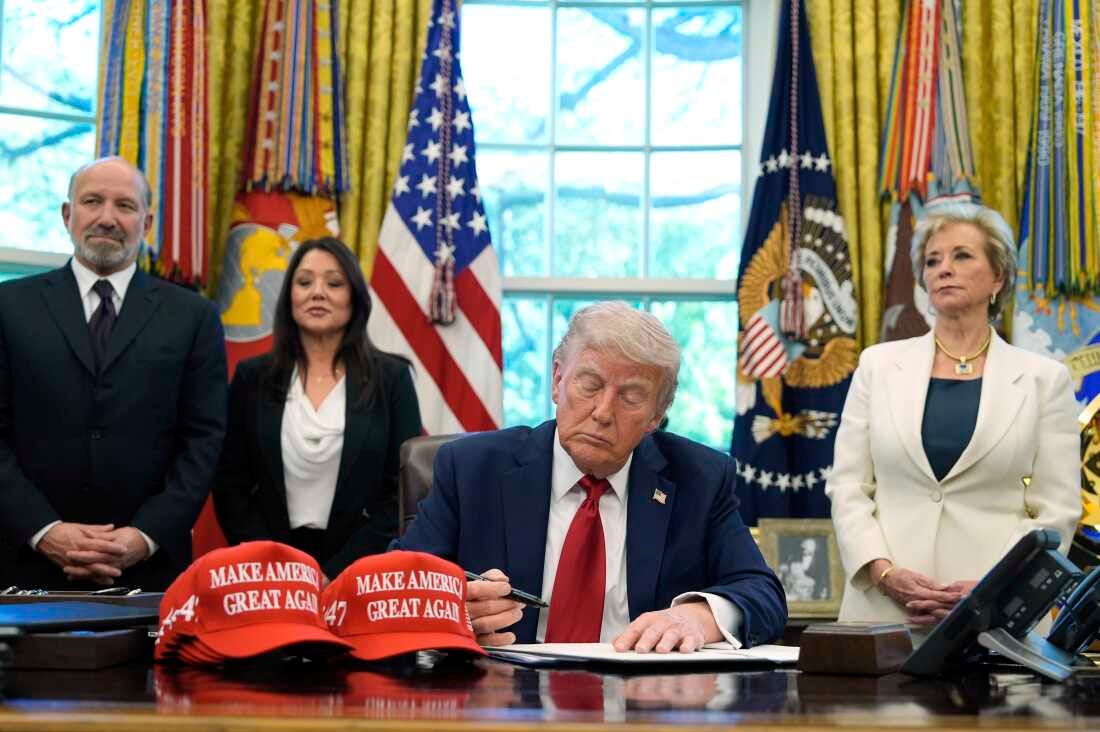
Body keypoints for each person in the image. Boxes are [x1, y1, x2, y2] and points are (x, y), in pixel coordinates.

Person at [395, 301, 787, 652]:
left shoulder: (698, 478)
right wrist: (449, 611)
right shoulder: (471, 469)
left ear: (656, 416)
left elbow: (762, 593)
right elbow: (394, 585)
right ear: (557, 380)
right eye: (590, 384)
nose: (602, 412)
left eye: (630, 396)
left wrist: (696, 618)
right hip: (503, 700)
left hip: (643, 705)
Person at [826, 201, 1079, 634]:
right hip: (883, 612)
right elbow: (847, 487)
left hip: (995, 615)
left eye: (962, 255)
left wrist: (994, 588)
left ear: (998, 276)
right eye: (932, 260)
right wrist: (885, 575)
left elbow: (1056, 511)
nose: (944, 268)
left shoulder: (1044, 379)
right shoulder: (878, 366)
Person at [0, 156, 228, 590]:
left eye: (124, 206)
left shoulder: (193, 317)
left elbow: (204, 440)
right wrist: (45, 531)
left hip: (148, 571)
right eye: (92, 201)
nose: (107, 218)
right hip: (22, 567)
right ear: (68, 215)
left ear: (147, 221)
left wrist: (144, 537)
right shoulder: (8, 307)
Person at [213, 237, 421, 581]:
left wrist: (337, 572)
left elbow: (400, 493)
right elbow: (230, 486)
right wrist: (277, 566)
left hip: (362, 567)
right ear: (289, 298)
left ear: (354, 296)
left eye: (334, 283)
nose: (318, 292)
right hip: (269, 569)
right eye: (305, 281)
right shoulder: (253, 378)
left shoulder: (392, 379)